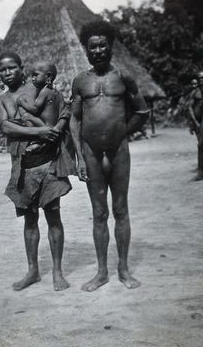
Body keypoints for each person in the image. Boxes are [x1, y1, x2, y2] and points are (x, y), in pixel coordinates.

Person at [70, 21, 149, 292]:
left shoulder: (123, 78)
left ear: (111, 47)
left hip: (119, 152)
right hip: (91, 153)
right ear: (86, 50)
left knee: (120, 209)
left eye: (103, 45)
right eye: (93, 47)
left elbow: (142, 112)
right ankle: (101, 272)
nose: (99, 50)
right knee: (99, 212)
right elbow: (74, 121)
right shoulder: (80, 81)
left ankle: (123, 269)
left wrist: (120, 133)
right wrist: (79, 157)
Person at [0, 51, 73, 291]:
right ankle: (33, 271)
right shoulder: (1, 100)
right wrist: (39, 132)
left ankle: (57, 272)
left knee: (53, 216)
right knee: (29, 219)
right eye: (2, 70)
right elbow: (6, 126)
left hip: (48, 162)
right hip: (23, 166)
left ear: (21, 68)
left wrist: (55, 127)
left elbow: (63, 110)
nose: (7, 73)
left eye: (11, 68)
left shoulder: (38, 88)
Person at [16, 61, 65, 155]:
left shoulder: (44, 92)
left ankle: (38, 141)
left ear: (48, 77)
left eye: (36, 75)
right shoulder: (58, 94)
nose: (32, 79)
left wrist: (22, 102)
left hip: (46, 128)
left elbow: (34, 109)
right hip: (55, 128)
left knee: (26, 116)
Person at [188, 72, 203, 181]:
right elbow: (189, 108)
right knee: (201, 145)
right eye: (200, 78)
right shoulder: (195, 93)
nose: (201, 80)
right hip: (199, 121)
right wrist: (194, 122)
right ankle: (200, 172)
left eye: (202, 78)